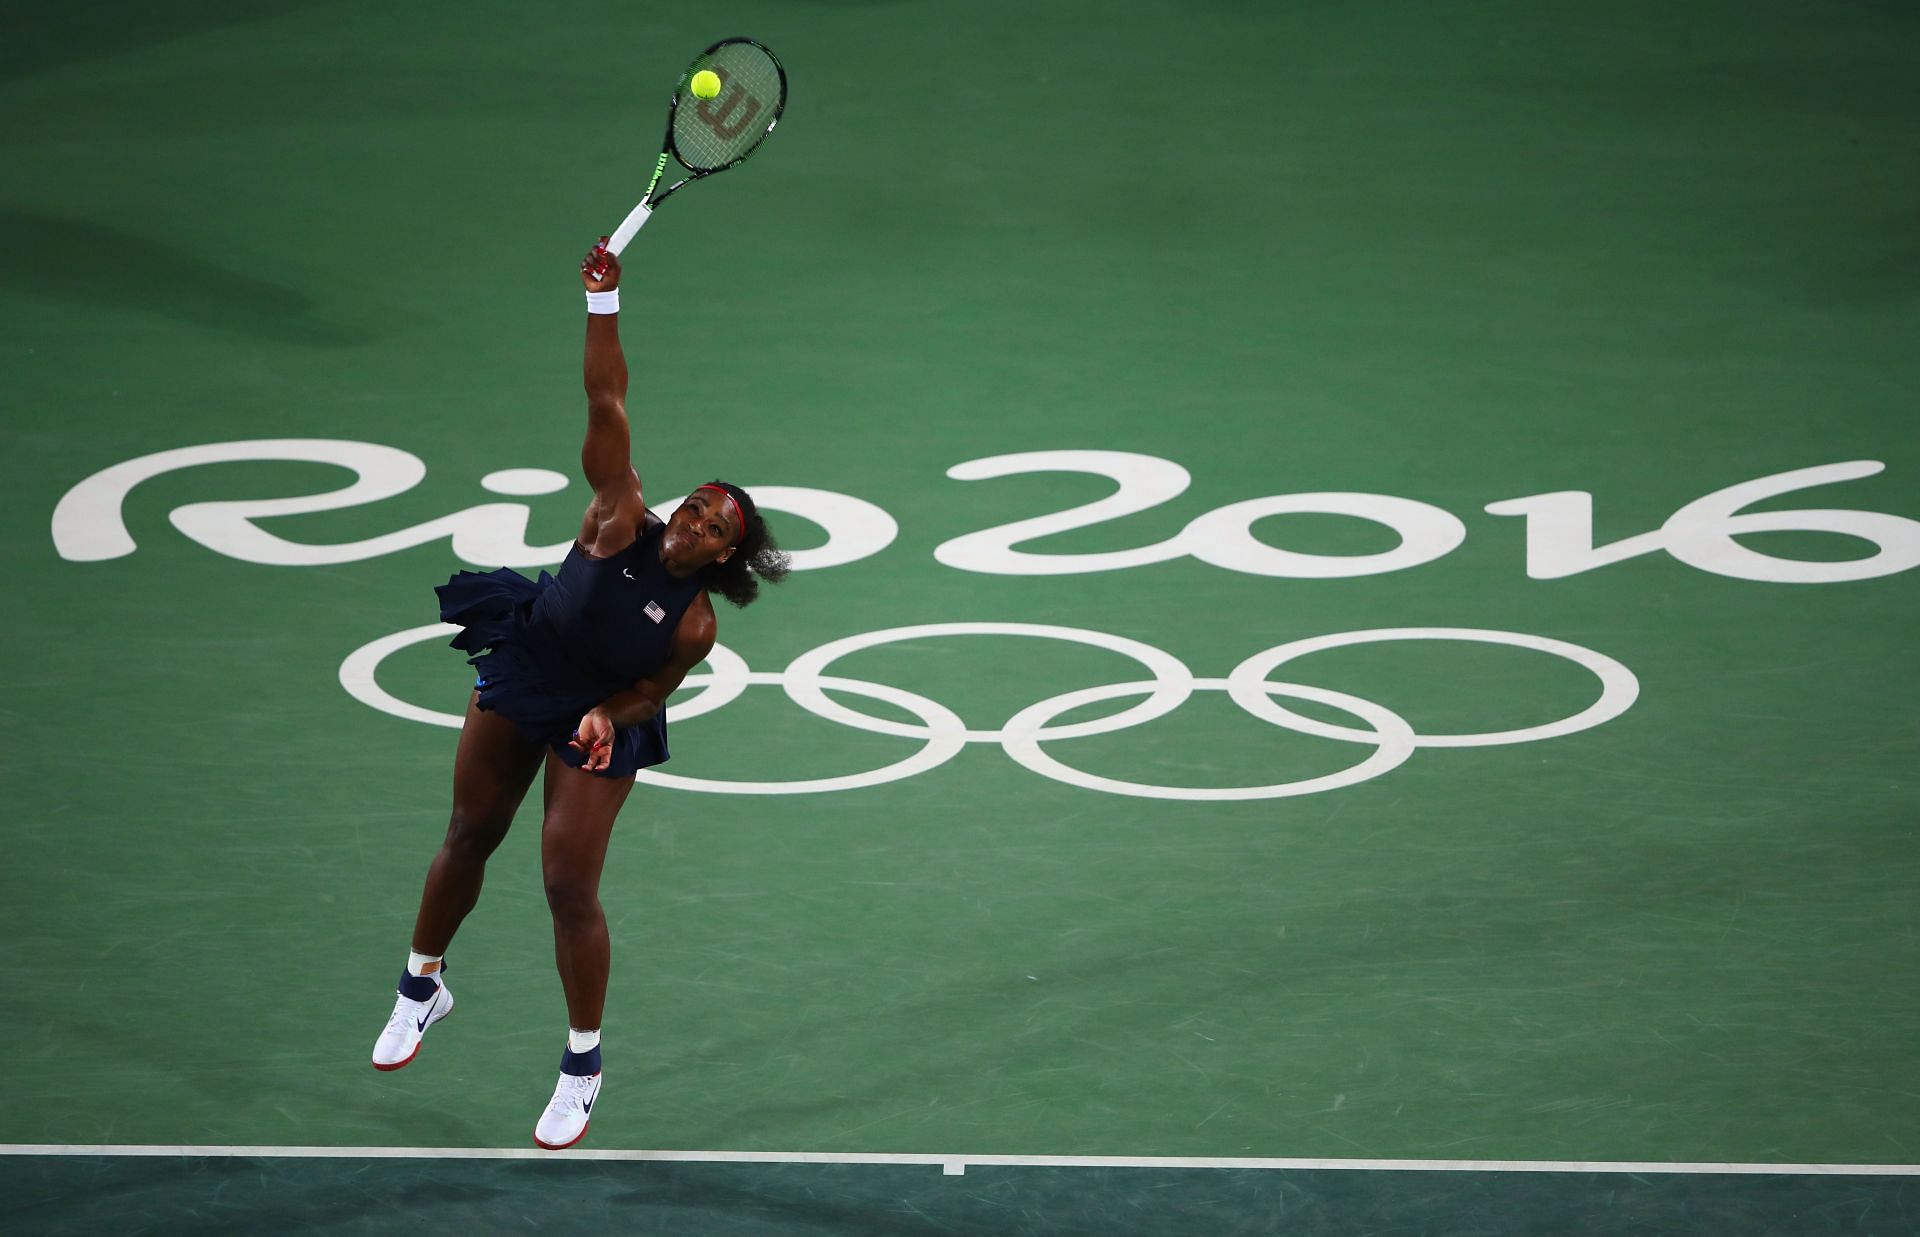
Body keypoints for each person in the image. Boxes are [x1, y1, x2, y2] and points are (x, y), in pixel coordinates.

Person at [370, 238, 790, 1150]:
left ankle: (582, 1063)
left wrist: (611, 714)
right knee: (469, 831)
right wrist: (603, 304)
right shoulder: (614, 512)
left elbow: (650, 691)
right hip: (530, 662)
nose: (693, 520)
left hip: (597, 711)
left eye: (713, 525)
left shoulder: (693, 628)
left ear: (723, 554)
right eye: (694, 505)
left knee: (567, 883)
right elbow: (607, 399)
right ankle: (421, 984)